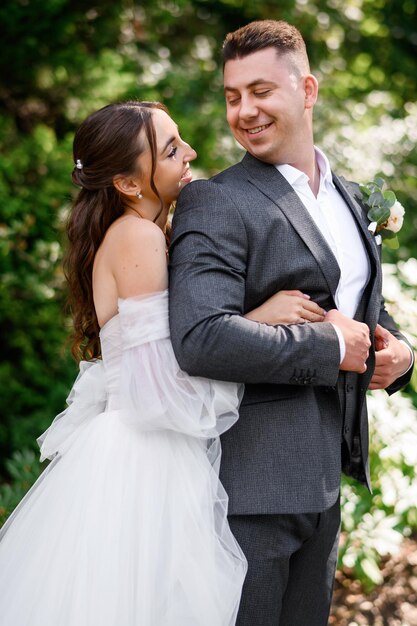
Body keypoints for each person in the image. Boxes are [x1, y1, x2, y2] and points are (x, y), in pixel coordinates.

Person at [0, 100, 327, 626]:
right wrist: (259, 320)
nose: (191, 152)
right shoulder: (138, 236)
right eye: (171, 149)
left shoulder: (149, 231)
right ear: (129, 184)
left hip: (149, 448)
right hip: (144, 460)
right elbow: (164, 389)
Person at [168, 20, 414, 626]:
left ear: (306, 91)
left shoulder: (355, 199)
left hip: (326, 479)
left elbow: (361, 307)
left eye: (261, 91)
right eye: (232, 97)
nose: (244, 111)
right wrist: (330, 345)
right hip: (247, 489)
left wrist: (400, 352)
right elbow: (200, 340)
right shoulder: (216, 201)